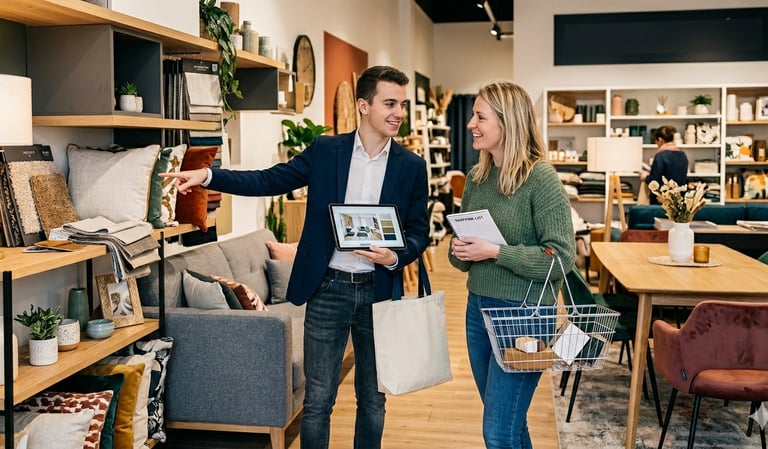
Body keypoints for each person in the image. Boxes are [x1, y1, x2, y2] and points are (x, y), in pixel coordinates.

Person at [161, 65, 430, 449]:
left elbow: (420, 232)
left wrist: (393, 256)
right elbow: (269, 179)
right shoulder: (326, 151)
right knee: (318, 400)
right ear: (363, 105)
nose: (398, 113)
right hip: (328, 288)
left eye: (402, 105)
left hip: (379, 292)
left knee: (373, 399)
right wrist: (208, 177)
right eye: (390, 103)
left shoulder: (411, 166)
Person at [448, 81, 576, 449]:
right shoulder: (477, 177)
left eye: (480, 116)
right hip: (478, 310)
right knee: (508, 422)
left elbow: (560, 258)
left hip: (526, 317)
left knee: (498, 431)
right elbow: (462, 258)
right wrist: (460, 249)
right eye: (474, 115)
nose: (472, 123)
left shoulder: (541, 179)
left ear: (509, 123)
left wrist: (495, 252)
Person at [642, 125, 688, 204]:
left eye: (656, 141)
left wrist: (645, 177)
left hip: (662, 200)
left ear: (660, 140)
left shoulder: (661, 156)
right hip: (679, 199)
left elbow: (655, 181)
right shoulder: (682, 155)